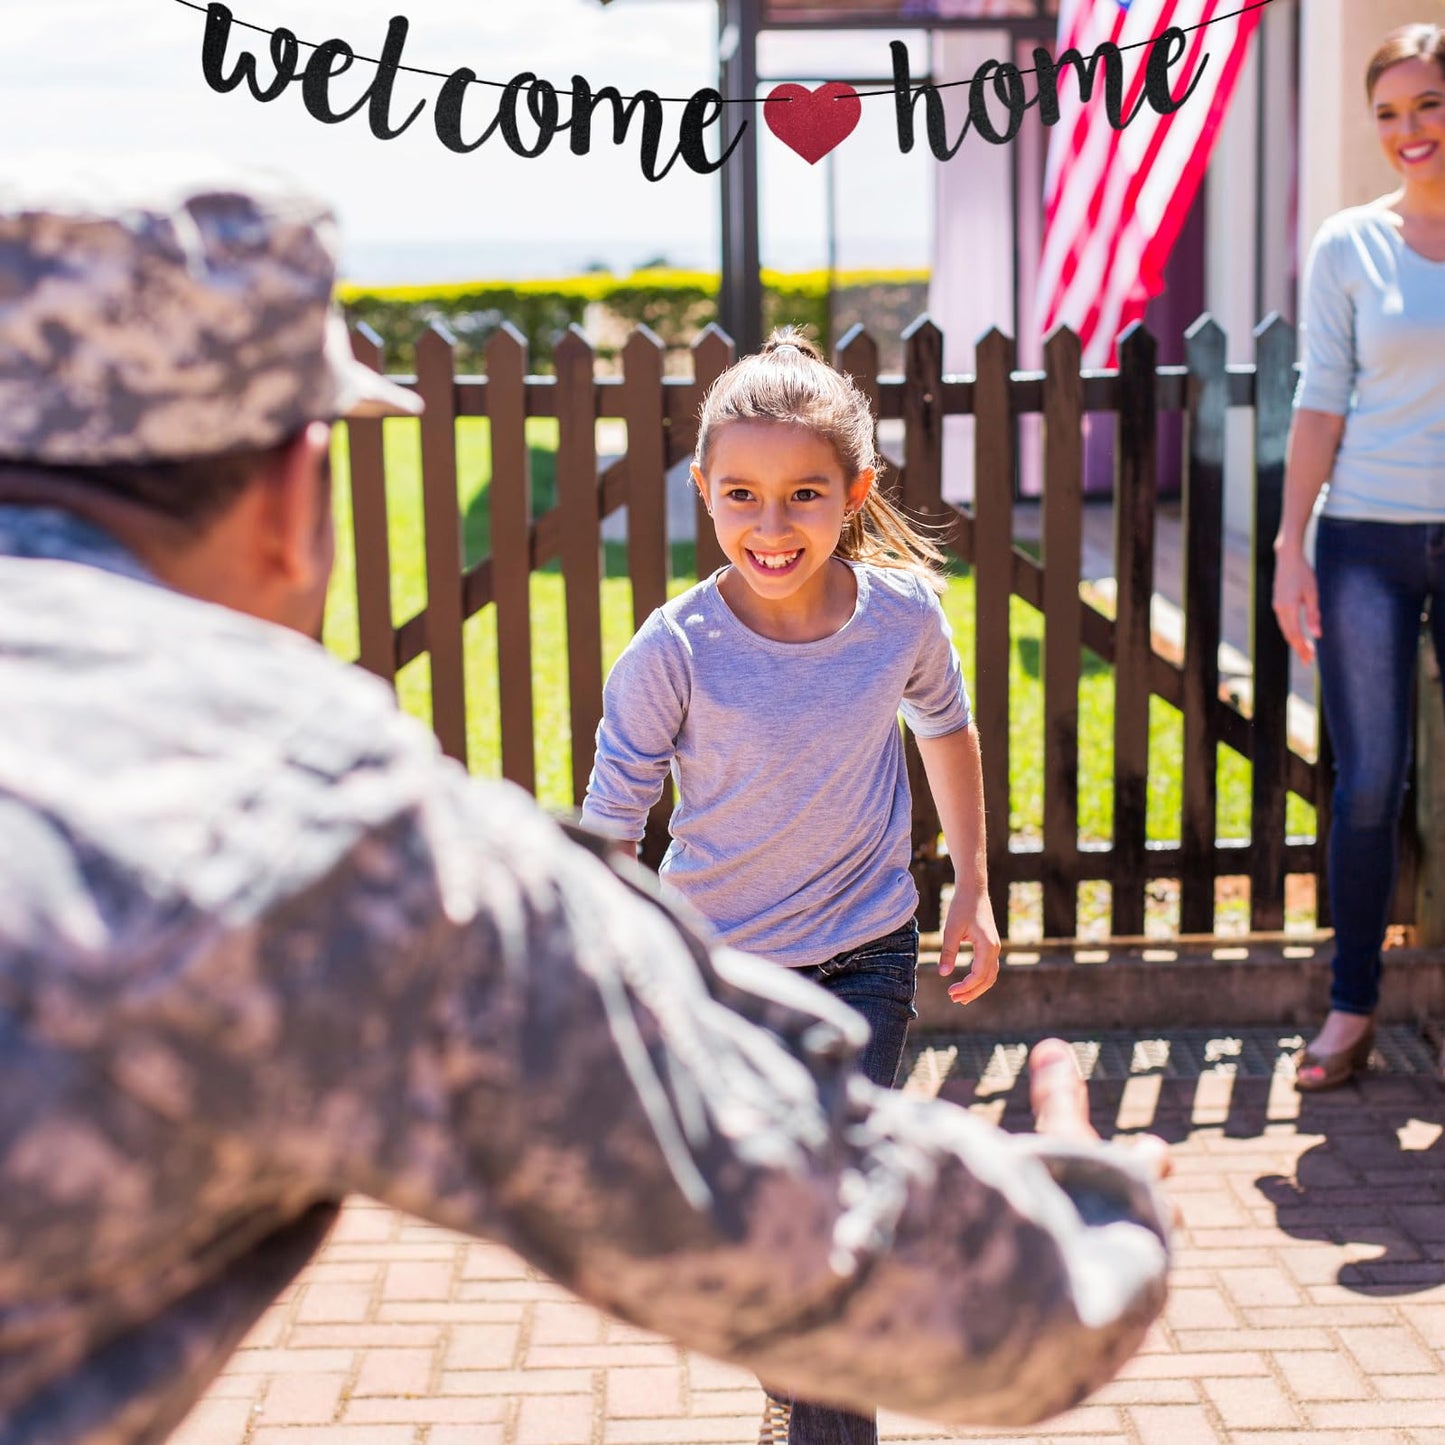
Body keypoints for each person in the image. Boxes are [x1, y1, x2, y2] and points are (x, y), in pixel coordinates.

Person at [0, 156, 1170, 1445]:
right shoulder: (321, 828)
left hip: (864, 943)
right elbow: (852, 1259)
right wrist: (1097, 1213)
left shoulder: (891, 621)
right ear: (292, 496)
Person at [581, 330, 1001, 1444]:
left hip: (866, 953)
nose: (772, 527)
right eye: (742, 496)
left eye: (804, 494)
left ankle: (819, 1405)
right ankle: (792, 1360)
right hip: (720, 977)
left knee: (833, 1215)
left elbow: (946, 733)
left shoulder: (900, 616)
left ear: (854, 491)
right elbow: (609, 823)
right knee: (765, 1221)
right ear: (703, 494)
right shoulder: (673, 648)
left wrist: (972, 884)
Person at [1273, 23, 1445, 1092]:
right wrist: (1290, 544)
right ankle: (1350, 1006)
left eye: (1425, 105)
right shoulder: (1349, 242)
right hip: (1364, 541)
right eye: (1386, 112)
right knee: (1368, 782)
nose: (1406, 131)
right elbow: (1317, 399)